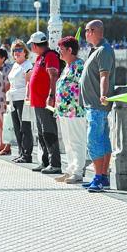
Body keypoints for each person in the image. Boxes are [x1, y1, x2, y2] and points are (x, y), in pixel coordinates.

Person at [80, 19, 115, 192]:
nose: (85, 33)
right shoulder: (96, 50)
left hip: (97, 104)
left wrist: (103, 94)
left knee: (93, 141)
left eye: (87, 30)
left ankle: (99, 177)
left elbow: (104, 75)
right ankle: (103, 176)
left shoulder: (104, 50)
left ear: (94, 31)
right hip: (92, 105)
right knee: (102, 140)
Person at [27, 31, 61, 174]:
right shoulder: (40, 57)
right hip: (38, 101)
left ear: (35, 45)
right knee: (41, 133)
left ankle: (55, 163)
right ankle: (45, 161)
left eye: (32, 45)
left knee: (49, 132)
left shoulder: (50, 56)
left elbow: (53, 75)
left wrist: (51, 95)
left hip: (45, 101)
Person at [54, 36, 86, 184]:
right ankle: (70, 170)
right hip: (64, 110)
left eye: (61, 49)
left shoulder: (79, 65)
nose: (59, 52)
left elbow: (83, 86)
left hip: (75, 110)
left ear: (70, 50)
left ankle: (78, 172)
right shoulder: (67, 66)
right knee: (67, 142)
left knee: (77, 141)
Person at [8, 40, 34, 163]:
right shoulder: (15, 65)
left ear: (25, 51)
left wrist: (27, 98)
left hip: (23, 99)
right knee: (17, 127)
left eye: (19, 50)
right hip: (14, 99)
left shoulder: (27, 65)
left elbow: (30, 83)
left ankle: (27, 154)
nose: (17, 53)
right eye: (14, 50)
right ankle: (21, 152)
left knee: (25, 128)